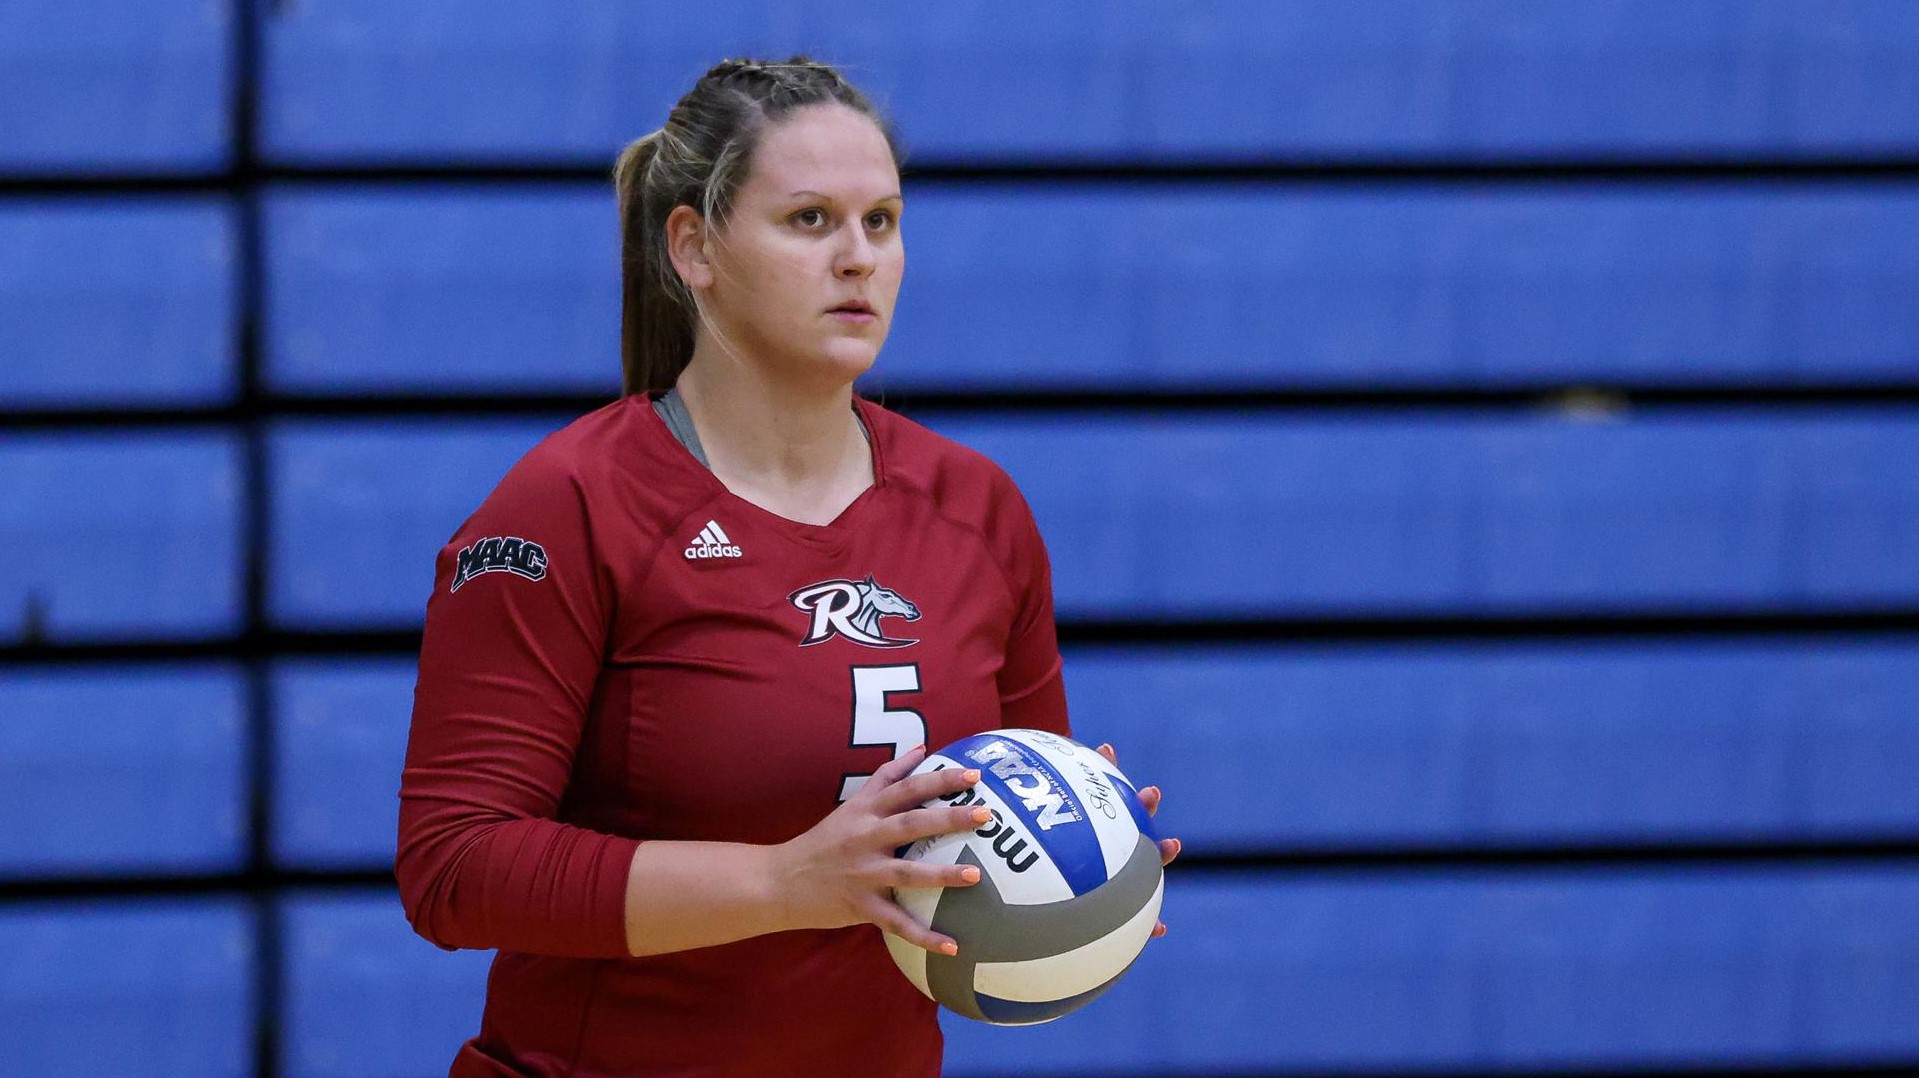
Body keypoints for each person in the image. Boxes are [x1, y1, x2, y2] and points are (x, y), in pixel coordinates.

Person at [396, 55, 1179, 1077]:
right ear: (695, 247)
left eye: (882, 222)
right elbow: (454, 867)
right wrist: (783, 880)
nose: (858, 257)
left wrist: (1085, 877)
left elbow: (983, 854)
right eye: (810, 220)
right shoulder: (571, 504)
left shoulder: (977, 510)